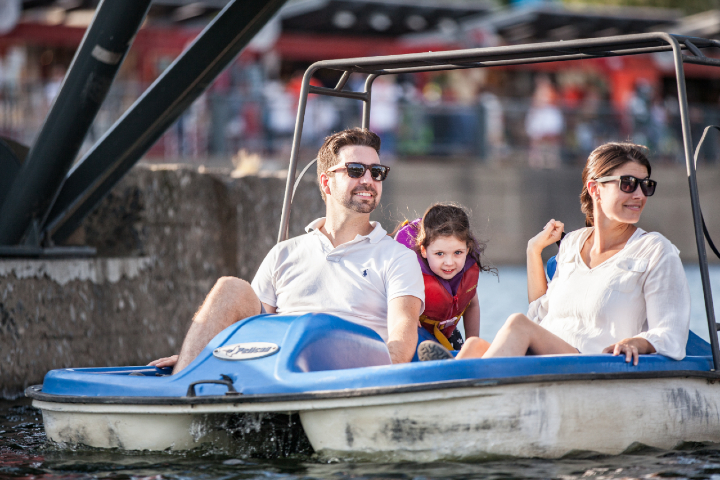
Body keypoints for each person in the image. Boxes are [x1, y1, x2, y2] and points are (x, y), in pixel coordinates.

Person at [151, 128, 425, 373]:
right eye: (355, 170)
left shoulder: (397, 257)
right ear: (326, 182)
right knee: (229, 287)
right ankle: (185, 380)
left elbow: (401, 338)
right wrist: (197, 354)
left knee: (317, 326)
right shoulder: (284, 252)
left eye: (376, 172)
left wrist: (383, 384)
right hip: (276, 365)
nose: (368, 179)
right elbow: (249, 329)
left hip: (347, 369)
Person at [419, 142, 690, 365]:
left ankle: (460, 390)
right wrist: (533, 250)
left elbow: (671, 333)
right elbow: (541, 314)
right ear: (595, 189)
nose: (640, 194)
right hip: (548, 363)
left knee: (516, 324)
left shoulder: (656, 251)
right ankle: (446, 399)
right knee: (476, 346)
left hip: (594, 368)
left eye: (646, 185)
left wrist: (639, 341)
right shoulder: (571, 243)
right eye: (629, 183)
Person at [395, 203, 493, 352]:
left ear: (467, 249)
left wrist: (472, 345)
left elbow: (472, 305)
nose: (449, 263)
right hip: (414, 335)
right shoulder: (409, 270)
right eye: (440, 254)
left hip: (445, 335)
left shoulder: (466, 271)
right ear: (423, 250)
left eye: (458, 253)